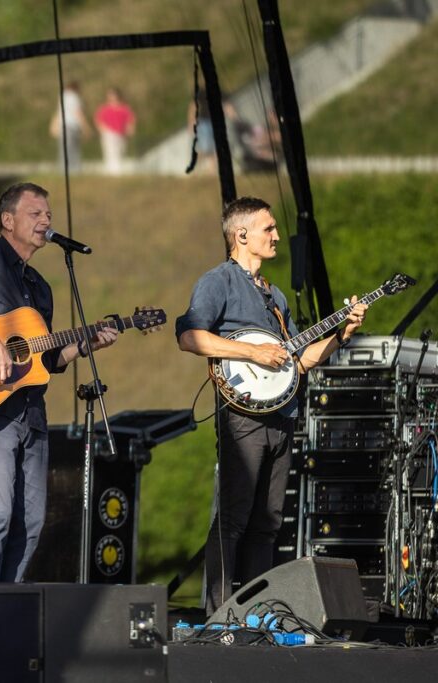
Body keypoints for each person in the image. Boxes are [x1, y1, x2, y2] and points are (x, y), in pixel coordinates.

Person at [175, 196, 369, 614]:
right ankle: (220, 615)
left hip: (282, 416)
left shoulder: (275, 297)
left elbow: (300, 359)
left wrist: (343, 333)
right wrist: (253, 354)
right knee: (233, 519)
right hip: (243, 417)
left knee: (268, 523)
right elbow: (189, 337)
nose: (277, 235)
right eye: (269, 228)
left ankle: (256, 613)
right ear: (242, 235)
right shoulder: (218, 282)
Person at [0, 182, 118, 583]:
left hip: (32, 412)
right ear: (8, 220)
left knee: (31, 521)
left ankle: (4, 607)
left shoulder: (40, 287)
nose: (46, 220)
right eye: (35, 214)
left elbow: (46, 360)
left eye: (48, 214)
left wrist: (86, 345)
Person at [48, 82, 90, 173]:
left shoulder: (62, 97)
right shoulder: (73, 97)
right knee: (73, 149)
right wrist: (85, 127)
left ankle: (64, 169)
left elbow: (58, 112)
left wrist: (53, 126)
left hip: (63, 126)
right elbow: (78, 112)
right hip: (72, 126)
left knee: (64, 149)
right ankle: (73, 170)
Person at [93, 87, 135, 175]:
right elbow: (98, 120)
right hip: (109, 133)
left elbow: (130, 120)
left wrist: (130, 129)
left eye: (113, 95)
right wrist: (103, 130)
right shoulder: (104, 108)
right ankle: (113, 173)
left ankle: (116, 171)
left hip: (121, 134)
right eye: (110, 95)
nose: (112, 97)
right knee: (111, 152)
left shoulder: (125, 108)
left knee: (120, 152)